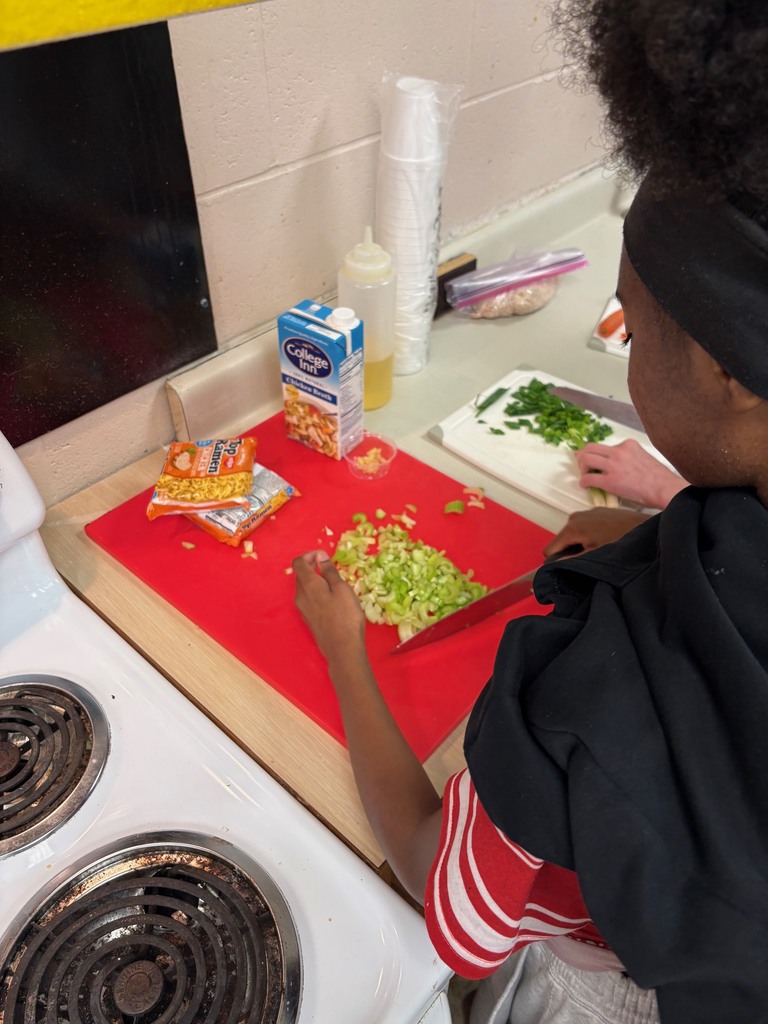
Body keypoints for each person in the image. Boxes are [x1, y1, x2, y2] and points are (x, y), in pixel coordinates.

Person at [292, 3, 768, 1022]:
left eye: (632, 328)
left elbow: (442, 899)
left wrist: (344, 649)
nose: (627, 354)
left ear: (729, 369)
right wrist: (674, 515)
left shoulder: (590, 693)